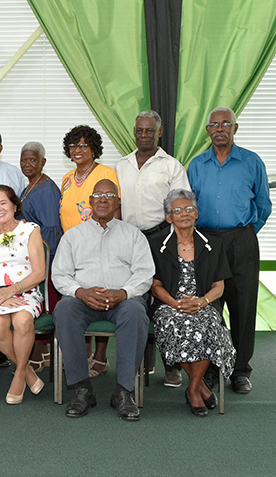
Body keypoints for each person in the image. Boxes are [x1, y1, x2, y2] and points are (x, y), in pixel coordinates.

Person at [52, 180, 153, 420]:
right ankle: (82, 389)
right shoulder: (73, 236)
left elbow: (144, 273)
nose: (103, 199)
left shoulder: (133, 235)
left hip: (122, 299)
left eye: (109, 195)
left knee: (136, 313)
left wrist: (124, 292)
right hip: (83, 300)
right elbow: (60, 274)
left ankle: (124, 391)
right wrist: (80, 292)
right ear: (90, 201)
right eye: (98, 194)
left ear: (118, 202)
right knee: (64, 309)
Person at [188, 106, 272, 395]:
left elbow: (263, 206)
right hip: (207, 241)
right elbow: (189, 207)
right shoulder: (196, 165)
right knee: (208, 309)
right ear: (208, 130)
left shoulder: (252, 162)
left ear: (235, 128)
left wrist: (244, 234)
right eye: (214, 124)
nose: (220, 129)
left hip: (242, 241)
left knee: (243, 306)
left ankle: (240, 371)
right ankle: (211, 369)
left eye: (226, 124)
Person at [115, 110, 190, 387]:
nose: (143, 135)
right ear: (133, 132)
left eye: (149, 130)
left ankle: (172, 366)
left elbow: (182, 206)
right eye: (139, 130)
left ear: (159, 132)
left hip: (162, 238)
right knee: (135, 299)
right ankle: (142, 362)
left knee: (164, 298)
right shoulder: (120, 166)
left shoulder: (171, 166)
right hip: (129, 239)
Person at [149, 189, 236, 417]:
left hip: (203, 304)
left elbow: (219, 286)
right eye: (177, 210)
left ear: (196, 213)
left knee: (206, 324)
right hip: (169, 305)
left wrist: (201, 301)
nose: (184, 214)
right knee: (176, 325)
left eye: (188, 208)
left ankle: (193, 388)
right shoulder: (156, 244)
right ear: (169, 217)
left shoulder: (213, 245)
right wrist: (175, 304)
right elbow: (155, 285)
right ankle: (200, 388)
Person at [60, 125, 120, 379]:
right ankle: (83, 354)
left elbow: (114, 210)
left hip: (101, 243)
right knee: (80, 298)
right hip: (73, 247)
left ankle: (101, 356)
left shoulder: (106, 174)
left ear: (94, 148)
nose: (78, 150)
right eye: (73, 145)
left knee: (101, 293)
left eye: (84, 145)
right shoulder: (66, 178)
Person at [0, 185, 45, 404]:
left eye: (3, 203)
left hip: (26, 291)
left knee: (23, 320)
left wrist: (13, 290)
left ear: (14, 205)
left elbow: (40, 272)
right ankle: (26, 371)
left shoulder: (30, 230)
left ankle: (18, 377)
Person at [17, 141, 62, 370]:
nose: (27, 164)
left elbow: (51, 229)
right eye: (24, 160)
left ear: (43, 162)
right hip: (32, 259)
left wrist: (45, 263)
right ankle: (40, 352)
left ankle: (46, 353)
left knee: (46, 307)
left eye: (33, 160)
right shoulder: (29, 187)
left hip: (46, 260)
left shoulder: (46, 190)